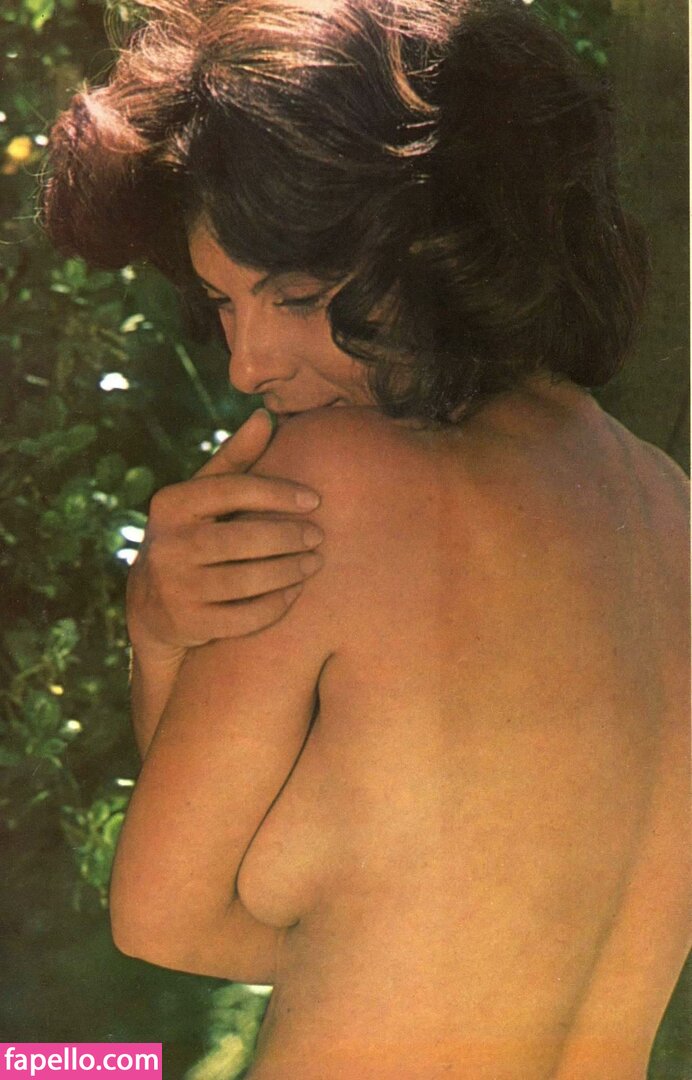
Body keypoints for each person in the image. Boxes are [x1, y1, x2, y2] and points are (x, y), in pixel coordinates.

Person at [42, 0, 689, 1076]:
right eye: (223, 303)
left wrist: (159, 632)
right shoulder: (669, 509)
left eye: (295, 297)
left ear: (445, 240)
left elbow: (169, 917)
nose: (248, 365)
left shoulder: (338, 479)